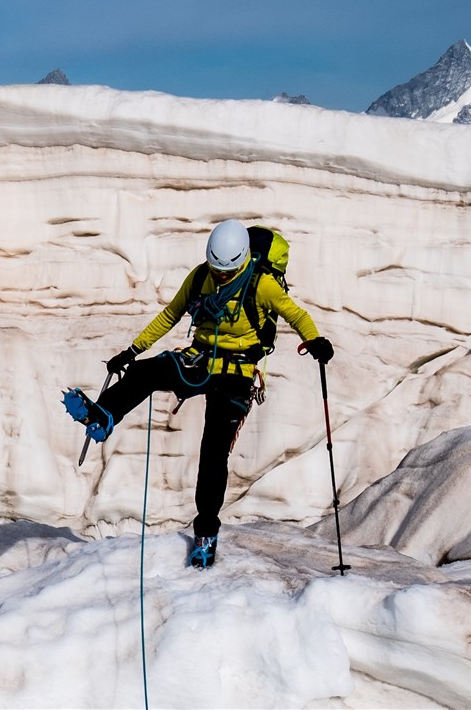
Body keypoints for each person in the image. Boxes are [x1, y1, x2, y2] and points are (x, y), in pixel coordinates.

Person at [63, 219, 331, 568]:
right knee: (146, 370)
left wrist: (315, 341)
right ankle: (103, 414)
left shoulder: (262, 285)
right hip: (201, 359)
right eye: (216, 269)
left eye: (227, 271)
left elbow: (295, 314)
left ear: (242, 261)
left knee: (214, 452)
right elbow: (171, 315)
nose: (220, 276)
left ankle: (206, 532)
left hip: (237, 374)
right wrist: (132, 351)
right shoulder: (200, 277)